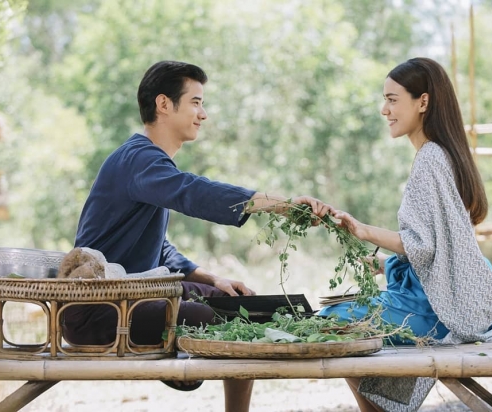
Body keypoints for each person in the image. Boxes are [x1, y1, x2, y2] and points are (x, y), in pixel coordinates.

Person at [62, 60, 333, 412]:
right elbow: (193, 191)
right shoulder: (138, 160)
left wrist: (212, 278)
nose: (203, 114)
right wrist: (280, 205)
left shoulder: (146, 161)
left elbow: (159, 249)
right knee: (232, 318)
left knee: (232, 300)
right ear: (163, 104)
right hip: (98, 312)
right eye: (195, 102)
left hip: (134, 297)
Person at [318, 57, 492, 412]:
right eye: (383, 99)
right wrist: (386, 265)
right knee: (346, 318)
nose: (384, 109)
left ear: (423, 101)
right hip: (466, 298)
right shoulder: (445, 154)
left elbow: (423, 247)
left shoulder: (430, 159)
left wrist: (363, 229)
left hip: (442, 309)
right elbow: (440, 249)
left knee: (332, 321)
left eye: (392, 99)